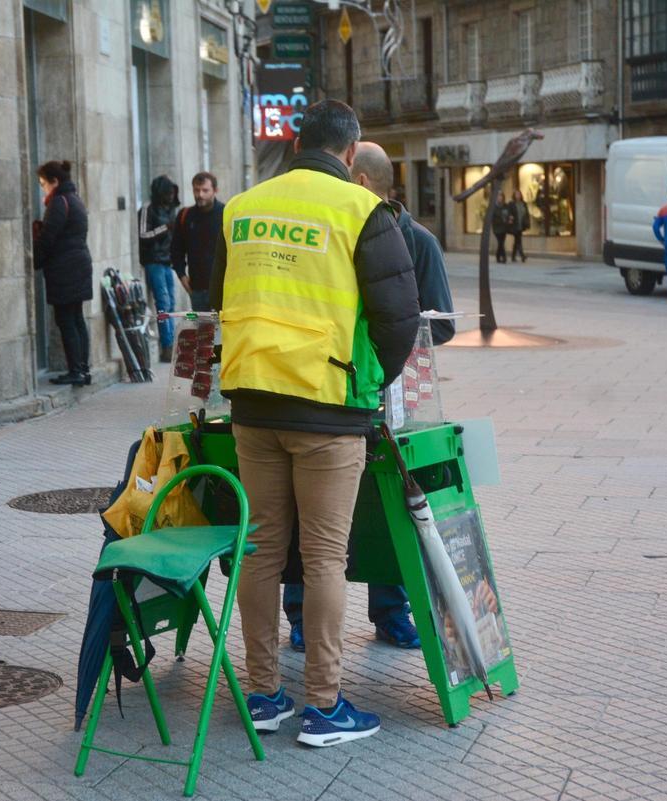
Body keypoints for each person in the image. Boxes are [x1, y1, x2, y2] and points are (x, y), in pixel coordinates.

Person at [210, 100, 419, 747]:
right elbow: (400, 320)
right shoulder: (362, 210)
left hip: (252, 404)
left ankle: (263, 695)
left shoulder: (242, 208)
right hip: (328, 409)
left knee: (261, 548)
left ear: (299, 143)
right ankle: (324, 707)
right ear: (351, 153)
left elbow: (218, 297)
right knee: (324, 555)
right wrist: (367, 384)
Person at [277, 141, 456, 655]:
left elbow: (442, 323)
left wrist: (384, 345)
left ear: (358, 181)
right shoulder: (328, 228)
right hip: (324, 395)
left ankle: (392, 611)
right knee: (308, 507)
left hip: (392, 399)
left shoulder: (418, 242)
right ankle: (301, 615)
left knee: (392, 503)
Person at [33, 160, 93, 386]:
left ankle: (76, 370)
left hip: (65, 269)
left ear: (55, 181)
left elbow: (49, 238)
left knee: (67, 320)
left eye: (43, 183)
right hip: (78, 265)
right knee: (76, 318)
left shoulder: (59, 202)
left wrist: (36, 260)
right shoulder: (75, 199)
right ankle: (83, 369)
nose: (43, 189)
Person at [138, 175, 180, 361]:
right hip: (153, 260)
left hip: (166, 261)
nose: (170, 197)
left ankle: (172, 343)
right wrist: (165, 228)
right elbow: (143, 235)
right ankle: (167, 345)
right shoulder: (147, 209)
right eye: (167, 194)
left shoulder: (170, 209)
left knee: (170, 303)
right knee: (163, 303)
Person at [171, 172, 224, 312]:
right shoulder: (185, 216)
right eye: (196, 190)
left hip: (223, 289)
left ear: (215, 190)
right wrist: (182, 276)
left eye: (205, 190)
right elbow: (176, 250)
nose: (200, 194)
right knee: (202, 326)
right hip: (197, 290)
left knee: (224, 326)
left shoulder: (226, 214)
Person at [510, 189, 529, 262]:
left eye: (519, 194)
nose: (518, 196)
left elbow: (526, 214)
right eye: (516, 194)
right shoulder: (512, 204)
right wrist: (510, 218)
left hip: (521, 224)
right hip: (515, 225)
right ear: (514, 196)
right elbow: (509, 212)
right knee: (518, 240)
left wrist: (527, 223)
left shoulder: (524, 204)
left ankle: (513, 256)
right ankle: (522, 255)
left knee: (517, 240)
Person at [492, 190, 511, 263]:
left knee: (501, 242)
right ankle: (504, 257)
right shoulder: (493, 207)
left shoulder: (506, 206)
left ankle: (498, 256)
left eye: (501, 196)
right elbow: (493, 218)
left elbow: (508, 214)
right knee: (500, 242)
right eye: (498, 196)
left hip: (504, 227)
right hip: (497, 228)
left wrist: (509, 219)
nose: (500, 198)